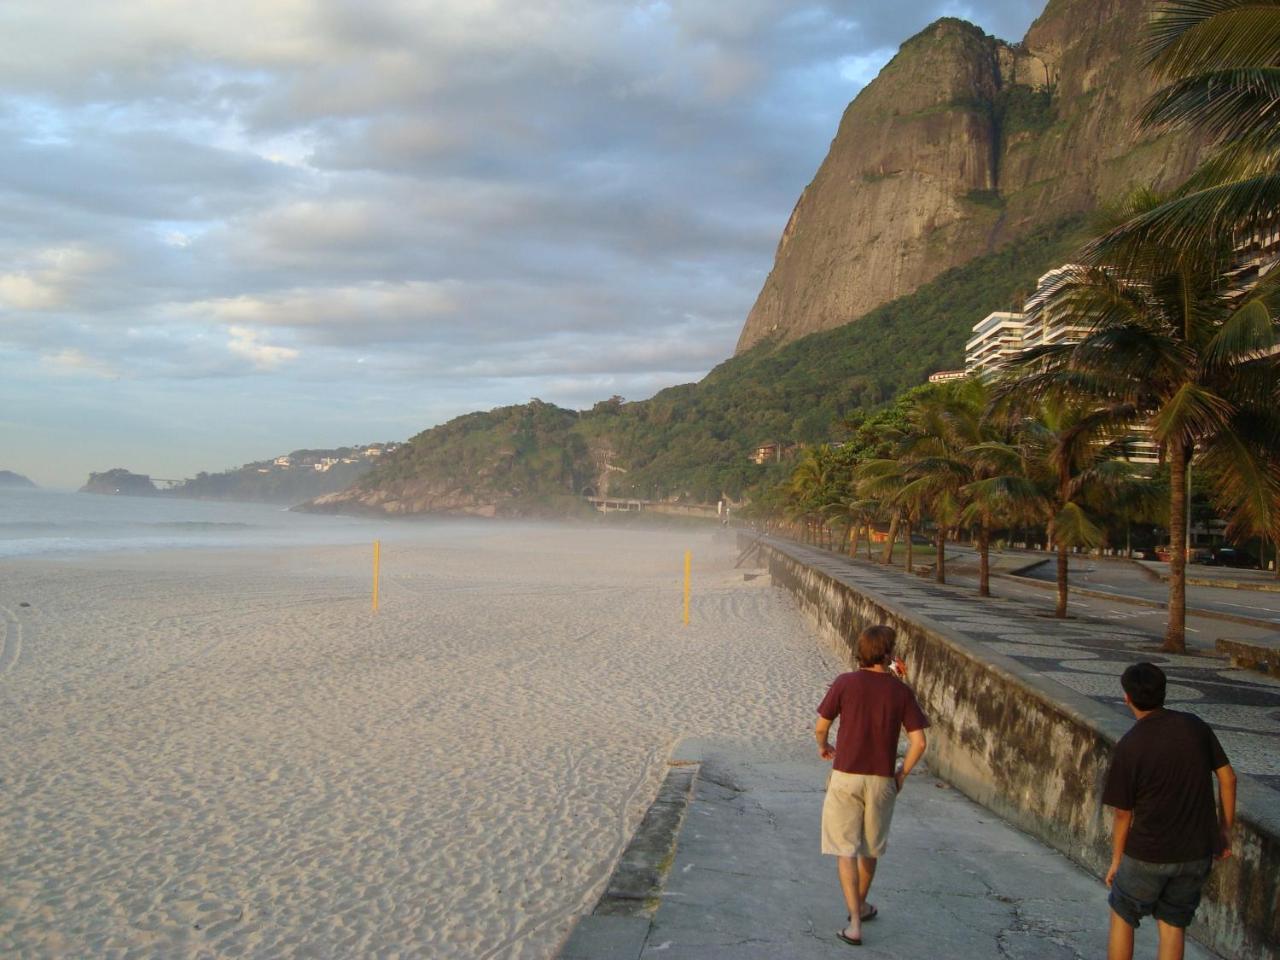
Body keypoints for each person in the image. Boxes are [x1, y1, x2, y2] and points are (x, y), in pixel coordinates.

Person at [1102, 662, 1237, 960]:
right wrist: (1225, 831)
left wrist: (1116, 861)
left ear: (1127, 698)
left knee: (1123, 912)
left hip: (1147, 853)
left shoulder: (1130, 745)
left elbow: (1123, 814)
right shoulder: (1195, 726)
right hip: (1195, 853)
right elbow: (1228, 778)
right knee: (1173, 924)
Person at [815, 625, 928, 947]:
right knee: (870, 848)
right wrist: (901, 774)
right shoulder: (900, 692)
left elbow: (821, 726)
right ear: (889, 654)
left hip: (846, 775)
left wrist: (823, 746)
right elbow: (919, 742)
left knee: (845, 849)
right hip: (881, 780)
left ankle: (853, 923)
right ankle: (862, 905)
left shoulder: (845, 683)